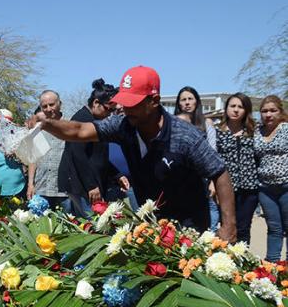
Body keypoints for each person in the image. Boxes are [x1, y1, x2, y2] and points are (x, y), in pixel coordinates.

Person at [33, 66, 236, 240]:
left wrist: (228, 226)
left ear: (154, 101)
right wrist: (47, 124)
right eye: (124, 102)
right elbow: (79, 130)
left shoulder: (183, 136)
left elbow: (219, 171)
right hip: (151, 220)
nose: (125, 108)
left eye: (133, 103)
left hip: (188, 224)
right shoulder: (123, 126)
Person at [58, 79, 130, 217]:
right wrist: (91, 185)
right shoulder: (82, 119)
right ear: (96, 103)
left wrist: (117, 174)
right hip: (82, 184)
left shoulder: (96, 122)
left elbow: (98, 157)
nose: (110, 114)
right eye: (109, 109)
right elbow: (78, 155)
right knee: (93, 225)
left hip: (89, 181)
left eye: (114, 110)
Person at [174, 86, 219, 231]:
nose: (187, 103)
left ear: (196, 102)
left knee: (205, 219)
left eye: (190, 99)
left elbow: (213, 152)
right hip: (179, 181)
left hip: (203, 179)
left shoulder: (207, 125)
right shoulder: (172, 124)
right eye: (183, 100)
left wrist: (213, 181)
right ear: (178, 104)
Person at [216, 93, 258, 244]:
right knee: (227, 227)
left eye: (240, 107)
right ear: (226, 108)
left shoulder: (254, 131)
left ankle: (243, 263)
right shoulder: (217, 132)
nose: (236, 110)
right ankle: (227, 263)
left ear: (246, 111)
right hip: (226, 189)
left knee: (244, 228)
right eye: (232, 106)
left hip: (250, 188)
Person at [254, 95, 288, 261]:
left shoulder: (286, 129)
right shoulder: (257, 131)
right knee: (274, 228)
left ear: (280, 112)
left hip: (286, 186)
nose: (268, 114)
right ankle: (272, 266)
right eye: (264, 111)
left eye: (273, 110)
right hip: (266, 189)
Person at [27, 90, 72, 210]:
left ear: (60, 104)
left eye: (51, 104)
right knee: (39, 226)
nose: (48, 109)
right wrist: (30, 184)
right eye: (44, 106)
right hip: (41, 187)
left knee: (69, 224)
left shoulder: (70, 125)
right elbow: (33, 157)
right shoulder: (37, 128)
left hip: (65, 190)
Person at [0, 109, 27, 197]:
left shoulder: (17, 139)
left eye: (3, 123)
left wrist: (16, 155)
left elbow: (29, 161)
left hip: (18, 188)